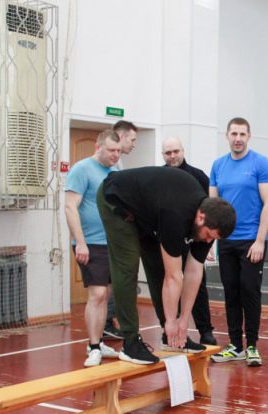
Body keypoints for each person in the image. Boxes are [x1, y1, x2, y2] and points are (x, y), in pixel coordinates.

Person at [97, 167, 236, 365]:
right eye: (208, 236)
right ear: (200, 217)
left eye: (212, 239)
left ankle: (171, 337)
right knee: (127, 267)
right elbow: (174, 277)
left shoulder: (210, 223)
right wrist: (172, 321)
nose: (207, 241)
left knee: (158, 268)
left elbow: (193, 272)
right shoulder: (176, 215)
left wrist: (183, 321)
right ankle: (130, 342)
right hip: (116, 199)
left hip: (149, 212)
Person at [209, 118, 268, 367]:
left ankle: (252, 346)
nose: (238, 138)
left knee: (250, 291)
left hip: (251, 239)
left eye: (242, 134)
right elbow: (213, 207)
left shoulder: (260, 163)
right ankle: (235, 345)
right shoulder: (218, 165)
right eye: (234, 134)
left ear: (249, 136)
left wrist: (260, 240)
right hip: (226, 240)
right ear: (227, 136)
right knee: (231, 292)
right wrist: (211, 241)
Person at [64, 129, 123, 367]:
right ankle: (94, 346)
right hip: (90, 243)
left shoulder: (115, 172)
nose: (115, 155)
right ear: (98, 148)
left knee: (106, 295)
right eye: (111, 150)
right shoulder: (82, 169)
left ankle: (97, 342)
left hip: (112, 243)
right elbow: (70, 207)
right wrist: (80, 242)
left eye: (118, 151)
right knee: (97, 294)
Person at [162, 136, 217, 346]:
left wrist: (208, 243)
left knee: (198, 284)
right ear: (163, 155)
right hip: (169, 240)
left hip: (195, 240)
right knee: (170, 282)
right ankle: (169, 329)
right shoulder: (161, 176)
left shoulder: (198, 176)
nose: (172, 156)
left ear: (183, 151)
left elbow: (211, 210)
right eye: (168, 153)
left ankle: (205, 330)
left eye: (176, 151)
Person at [102, 120, 140, 340]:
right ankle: (106, 323)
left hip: (115, 235)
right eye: (132, 139)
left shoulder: (118, 166)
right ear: (121, 136)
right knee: (112, 284)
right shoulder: (106, 168)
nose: (134, 144)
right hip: (105, 236)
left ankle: (108, 322)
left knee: (116, 283)